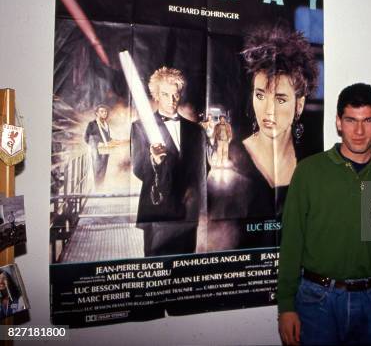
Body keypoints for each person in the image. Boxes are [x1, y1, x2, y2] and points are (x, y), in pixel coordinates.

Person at [277, 83, 371, 345]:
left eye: (368, 120)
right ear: (339, 122)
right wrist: (286, 305)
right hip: (316, 301)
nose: (360, 131)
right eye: (351, 120)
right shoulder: (309, 172)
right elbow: (292, 242)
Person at [206, 25, 319, 250]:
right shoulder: (230, 165)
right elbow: (213, 256)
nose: (269, 111)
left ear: (299, 105)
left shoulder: (313, 163)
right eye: (260, 95)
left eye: (280, 99)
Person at [130, 66, 205, 257]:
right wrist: (154, 160)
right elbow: (138, 169)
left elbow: (204, 169)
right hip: (157, 211)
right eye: (165, 94)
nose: (172, 100)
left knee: (184, 270)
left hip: (187, 213)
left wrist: (193, 194)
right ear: (156, 95)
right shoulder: (140, 127)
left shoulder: (196, 131)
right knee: (156, 273)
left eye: (175, 94)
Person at [84, 104, 112, 188]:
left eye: (105, 111)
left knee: (103, 168)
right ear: (97, 113)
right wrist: (94, 146)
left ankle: (101, 186)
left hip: (105, 150)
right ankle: (97, 187)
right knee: (96, 167)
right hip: (96, 149)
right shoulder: (92, 124)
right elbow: (86, 137)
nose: (104, 113)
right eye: (102, 111)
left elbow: (107, 137)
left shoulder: (106, 124)